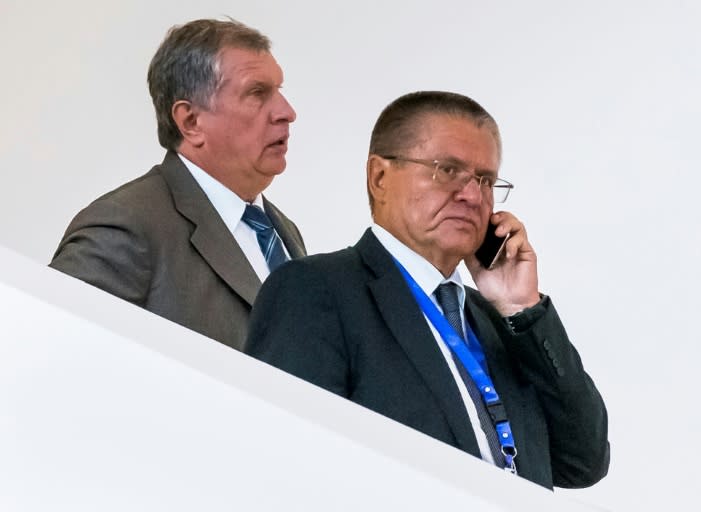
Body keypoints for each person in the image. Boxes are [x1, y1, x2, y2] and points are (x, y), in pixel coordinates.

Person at [245, 91, 609, 489]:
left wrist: (522, 308)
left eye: (485, 180)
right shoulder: (315, 290)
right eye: (447, 170)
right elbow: (292, 468)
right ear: (379, 177)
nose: (472, 195)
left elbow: (582, 462)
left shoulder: (498, 321)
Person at [50, 19, 305, 351]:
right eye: (257, 93)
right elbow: (54, 353)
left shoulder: (283, 232)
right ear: (191, 122)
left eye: (279, 92)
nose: (287, 112)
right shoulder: (125, 226)